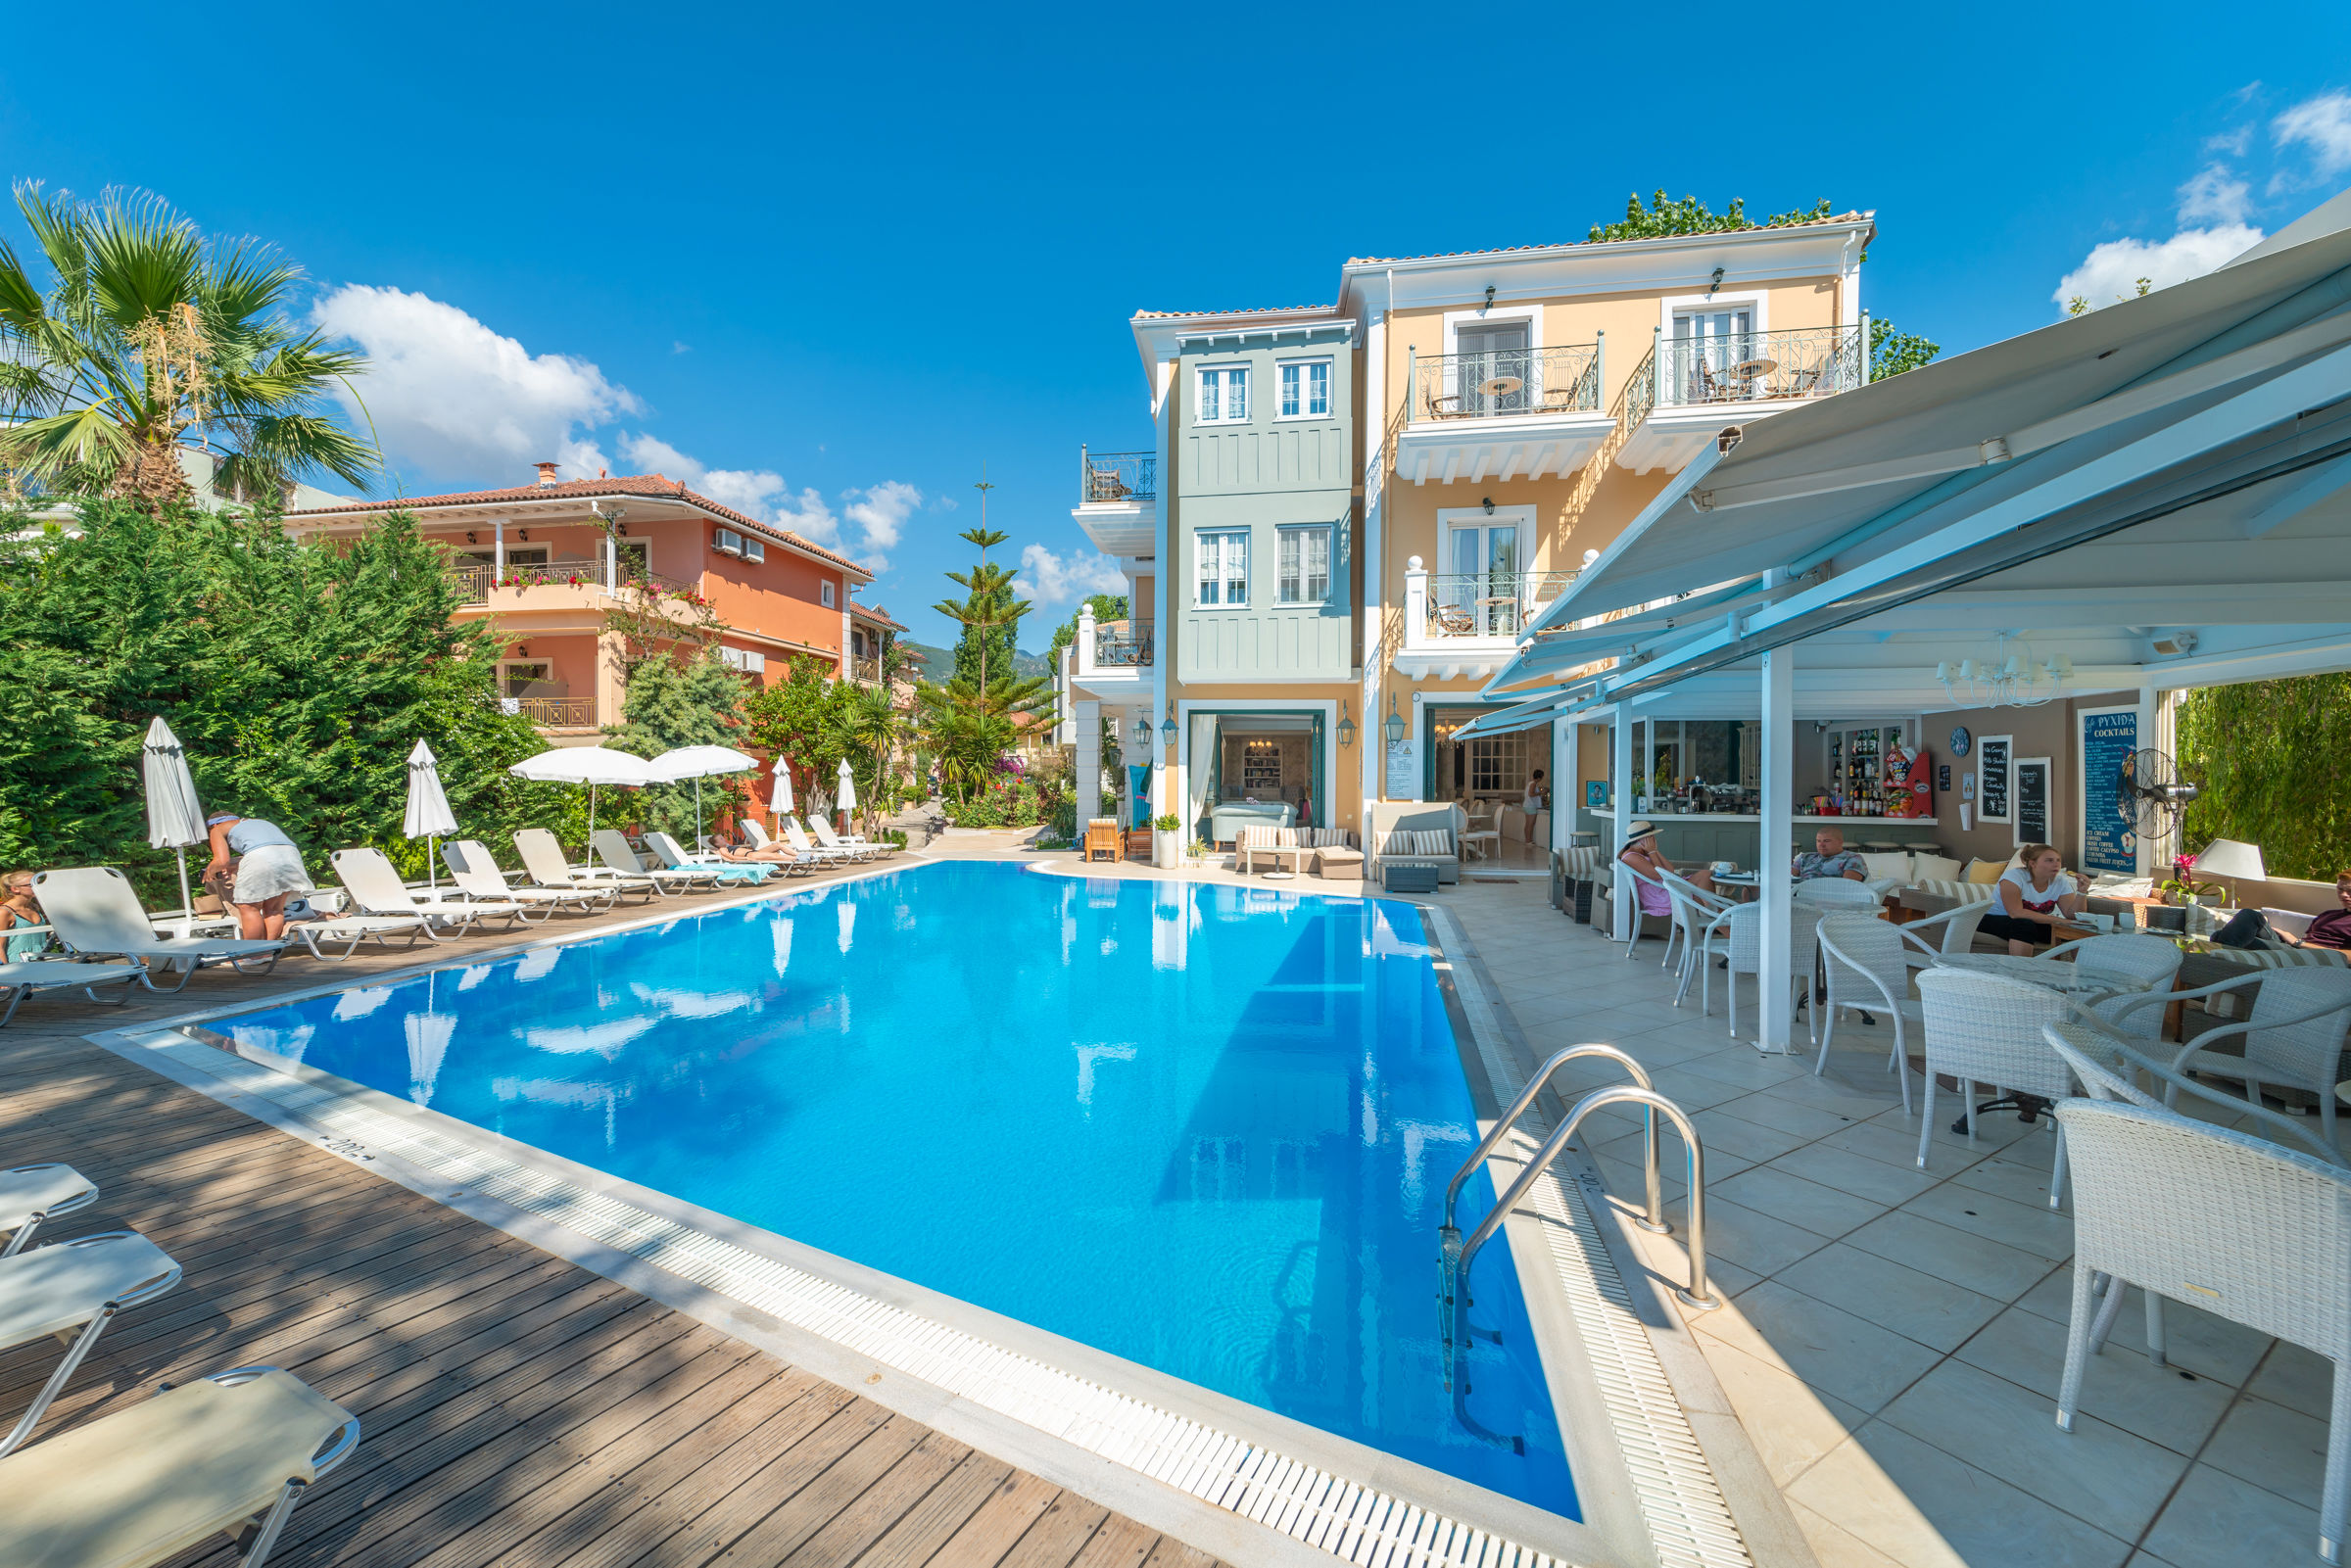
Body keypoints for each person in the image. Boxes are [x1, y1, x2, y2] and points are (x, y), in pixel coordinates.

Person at [202, 813, 314, 941]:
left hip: (261, 855)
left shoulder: (217, 829)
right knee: (274, 908)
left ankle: (253, 951)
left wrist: (209, 871)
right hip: (291, 855)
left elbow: (221, 861)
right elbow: (269, 849)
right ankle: (269, 949)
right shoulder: (258, 822)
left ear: (214, 825)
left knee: (248, 907)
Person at [1981, 842, 2084, 956]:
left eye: (2058, 860)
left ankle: (2080, 967)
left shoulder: (2061, 882)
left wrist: (2082, 892)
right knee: (2024, 925)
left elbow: (2073, 915)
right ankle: (2020, 966)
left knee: (2075, 930)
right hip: (1993, 919)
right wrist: (2059, 921)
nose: (2056, 864)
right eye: (2049, 860)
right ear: (2033, 863)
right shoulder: (2013, 877)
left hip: (2031, 923)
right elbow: (2015, 913)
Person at [1619, 822, 1713, 924]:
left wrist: (1655, 851)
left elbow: (1670, 871)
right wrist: (1652, 852)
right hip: (1659, 895)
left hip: (1666, 888)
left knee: (1706, 876)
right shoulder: (1631, 857)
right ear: (1641, 839)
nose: (1653, 839)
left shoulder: (1642, 852)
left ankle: (1714, 915)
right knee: (1705, 881)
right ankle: (1715, 916)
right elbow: (1660, 875)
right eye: (1650, 836)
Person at [2277, 870, 2351, 950]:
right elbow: (2308, 939)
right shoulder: (2327, 914)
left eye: (2350, 890)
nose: (2343, 895)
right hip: (2294, 950)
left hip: (2318, 956)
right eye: (2340, 889)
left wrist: (2297, 942)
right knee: (2265, 927)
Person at [0, 871, 46, 960]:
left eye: (39, 883)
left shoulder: (35, 907)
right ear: (15, 889)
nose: (38, 887)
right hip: (18, 964)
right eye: (32, 884)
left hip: (42, 961)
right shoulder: (4, 912)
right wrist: (6, 967)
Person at [1793, 827, 1867, 881]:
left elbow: (1848, 886)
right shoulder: (1805, 857)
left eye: (1826, 841)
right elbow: (1789, 879)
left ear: (1840, 842)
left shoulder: (1853, 858)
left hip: (1833, 896)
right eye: (1818, 841)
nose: (1821, 845)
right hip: (1800, 894)